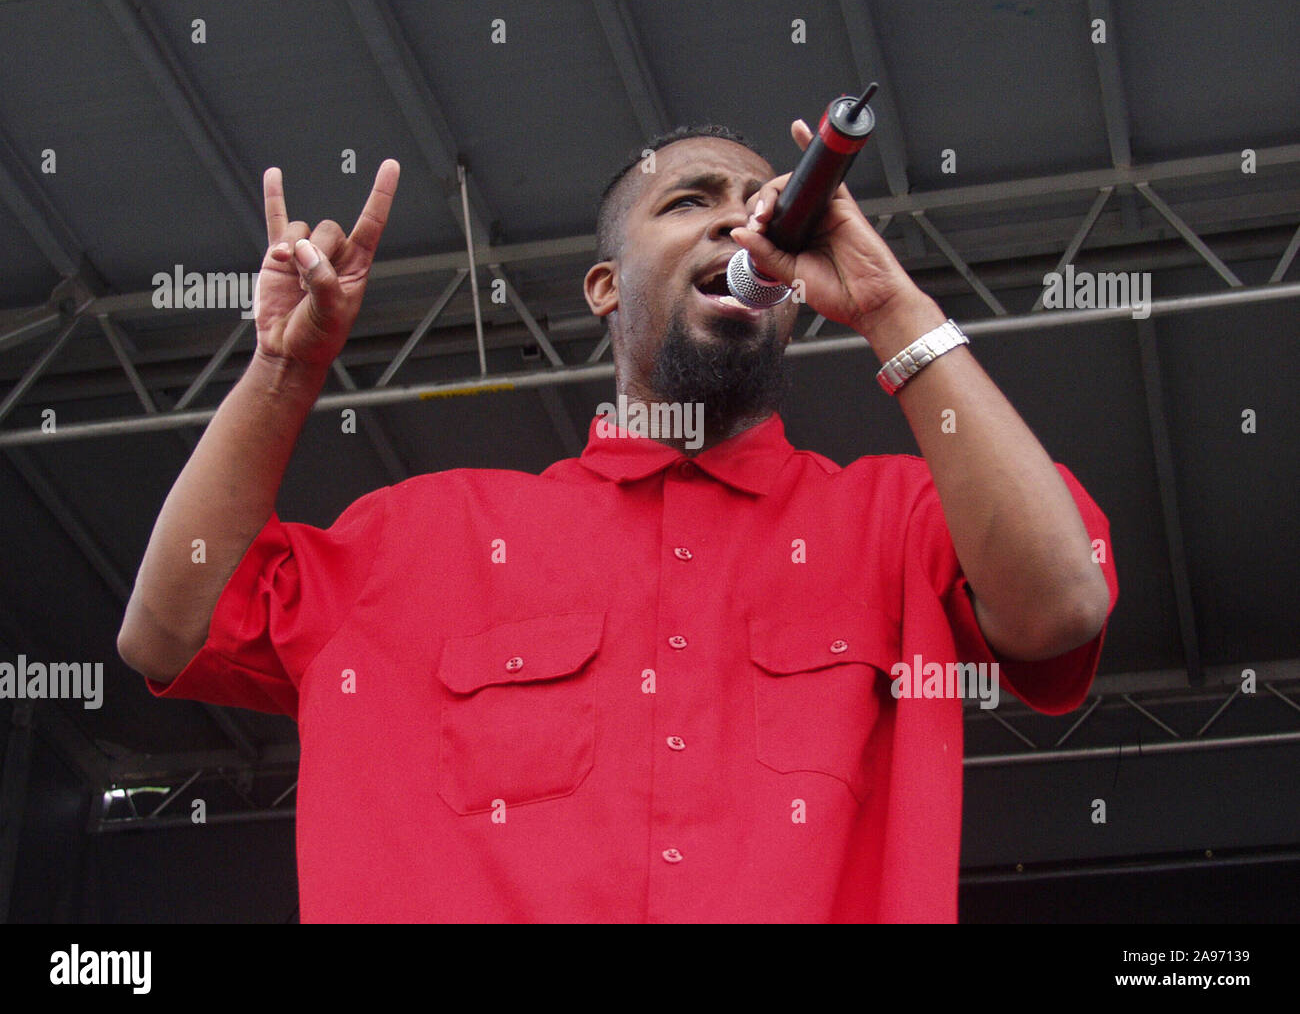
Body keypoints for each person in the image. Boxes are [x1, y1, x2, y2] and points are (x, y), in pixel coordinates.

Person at [118, 121, 1117, 923]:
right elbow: (168, 627)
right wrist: (286, 370)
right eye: (692, 200)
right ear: (602, 288)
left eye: (765, 207)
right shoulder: (421, 537)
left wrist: (894, 307)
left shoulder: (896, 520)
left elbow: (1061, 604)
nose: (742, 224)